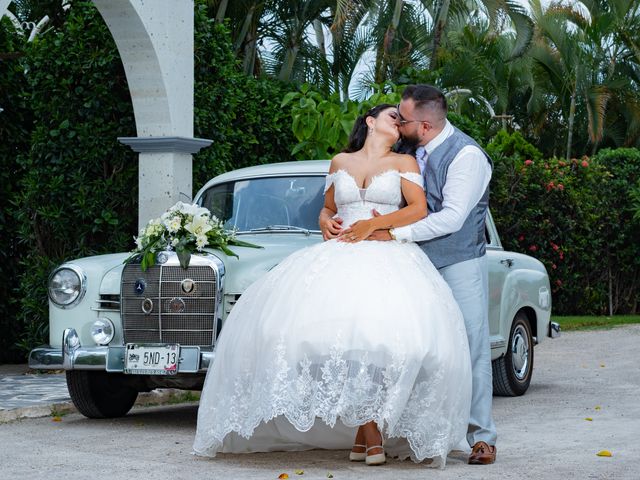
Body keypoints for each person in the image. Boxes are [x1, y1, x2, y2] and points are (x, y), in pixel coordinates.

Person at [193, 104, 472, 468]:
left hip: (386, 255)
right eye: (393, 117)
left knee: (384, 344)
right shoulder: (340, 161)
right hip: (338, 255)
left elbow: (418, 209)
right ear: (370, 122)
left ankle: (368, 435)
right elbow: (326, 208)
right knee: (323, 342)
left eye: (402, 120)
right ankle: (367, 435)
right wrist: (326, 222)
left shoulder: (405, 164)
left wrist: (375, 225)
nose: (399, 123)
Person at [345, 85, 497, 465]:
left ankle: (482, 437)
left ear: (424, 125)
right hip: (408, 263)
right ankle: (420, 431)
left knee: (469, 345)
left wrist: (392, 232)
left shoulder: (466, 156)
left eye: (403, 117)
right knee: (411, 346)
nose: (397, 120)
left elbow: (452, 217)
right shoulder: (407, 152)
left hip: (457, 261)